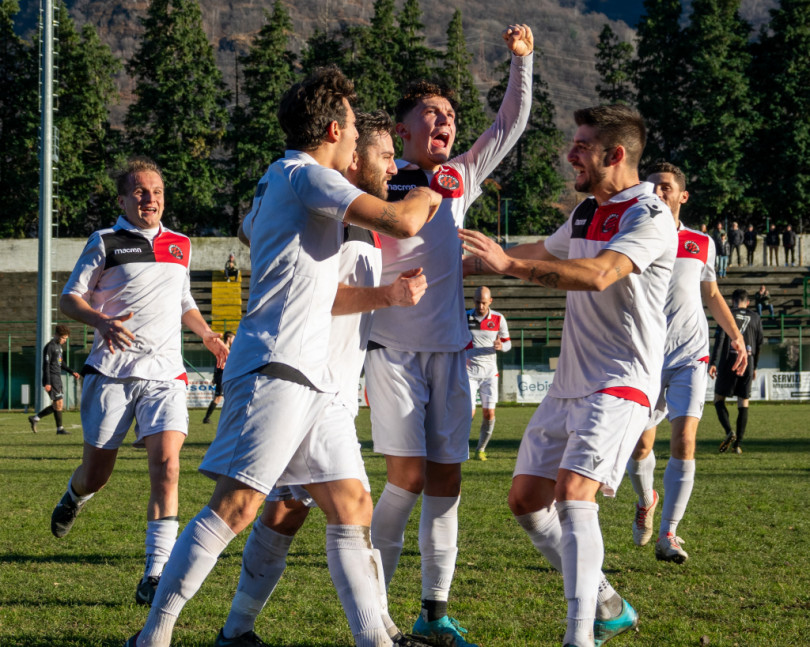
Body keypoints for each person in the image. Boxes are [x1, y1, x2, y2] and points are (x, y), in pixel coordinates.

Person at [127, 67, 440, 647]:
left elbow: (258, 231)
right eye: (350, 130)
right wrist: (432, 183)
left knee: (351, 502)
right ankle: (153, 636)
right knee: (239, 505)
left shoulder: (287, 180)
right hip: (277, 365)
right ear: (330, 129)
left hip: (310, 376)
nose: (354, 145)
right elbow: (404, 218)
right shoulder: (305, 175)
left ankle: (377, 639)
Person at [214, 110, 434, 647]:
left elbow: (252, 224)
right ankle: (378, 636)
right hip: (305, 381)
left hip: (329, 383)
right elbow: (318, 297)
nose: (391, 167)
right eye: (383, 156)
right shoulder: (323, 211)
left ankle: (239, 630)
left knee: (292, 510)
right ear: (352, 156)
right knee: (321, 507)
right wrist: (426, 202)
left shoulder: (354, 216)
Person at [459, 104, 677, 647]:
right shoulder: (586, 212)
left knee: (574, 494)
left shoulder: (649, 216)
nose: (571, 153)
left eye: (581, 146)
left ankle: (578, 638)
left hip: (620, 381)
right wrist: (476, 258)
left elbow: (601, 275)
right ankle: (607, 603)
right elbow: (544, 251)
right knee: (527, 501)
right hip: (570, 384)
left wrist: (508, 267)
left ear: (616, 154)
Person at [364, 24, 534, 647]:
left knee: (447, 482)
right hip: (393, 351)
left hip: (452, 355)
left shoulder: (459, 177)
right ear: (402, 132)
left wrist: (523, 63)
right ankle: (373, 608)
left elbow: (509, 125)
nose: (444, 122)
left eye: (450, 115)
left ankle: (433, 613)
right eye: (430, 114)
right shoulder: (378, 180)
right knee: (405, 479)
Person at [52, 157, 230, 607]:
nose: (150, 199)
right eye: (140, 192)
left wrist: (206, 333)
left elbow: (183, 298)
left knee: (168, 466)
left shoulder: (181, 244)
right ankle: (75, 495)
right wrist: (102, 321)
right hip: (111, 372)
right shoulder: (105, 241)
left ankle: (154, 574)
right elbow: (69, 299)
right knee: (98, 474)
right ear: (123, 199)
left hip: (165, 372)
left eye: (156, 191)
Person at [626, 162, 745, 566]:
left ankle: (669, 534)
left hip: (691, 353)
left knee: (685, 441)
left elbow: (710, 293)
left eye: (665, 187)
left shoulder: (700, 242)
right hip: (644, 354)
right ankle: (647, 499)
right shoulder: (635, 236)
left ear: (682, 196)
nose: (658, 192)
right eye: (652, 186)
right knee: (641, 444)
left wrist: (735, 335)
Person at [710, 289, 764, 455]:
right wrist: (754, 367)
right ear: (747, 302)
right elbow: (759, 343)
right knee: (743, 402)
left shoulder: (727, 314)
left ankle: (729, 431)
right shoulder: (755, 317)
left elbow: (719, 340)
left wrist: (713, 362)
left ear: (732, 301)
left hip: (728, 362)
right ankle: (737, 445)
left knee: (719, 398)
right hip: (747, 362)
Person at [466, 285, 511, 461]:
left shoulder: (499, 319)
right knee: (468, 413)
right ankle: (462, 448)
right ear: (473, 300)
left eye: (484, 302)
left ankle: (481, 449)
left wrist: (502, 346)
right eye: (478, 302)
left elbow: (508, 343)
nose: (481, 306)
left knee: (489, 414)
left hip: (490, 374)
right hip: (468, 373)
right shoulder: (465, 316)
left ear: (490, 301)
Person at [28, 323, 81, 435]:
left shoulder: (59, 347)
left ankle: (36, 419)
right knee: (58, 403)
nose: (64, 340)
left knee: (58, 403)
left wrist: (72, 371)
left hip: (57, 377)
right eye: (63, 338)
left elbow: (61, 363)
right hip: (51, 378)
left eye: (66, 338)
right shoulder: (50, 347)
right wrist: (47, 382)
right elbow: (46, 365)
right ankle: (58, 428)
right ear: (56, 335)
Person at [202, 330, 236, 424]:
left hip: (225, 376)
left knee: (228, 397)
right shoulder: (224, 349)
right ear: (228, 338)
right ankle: (206, 418)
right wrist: (216, 377)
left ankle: (230, 419)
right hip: (222, 376)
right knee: (218, 397)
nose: (235, 340)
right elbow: (218, 364)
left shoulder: (229, 350)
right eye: (233, 338)